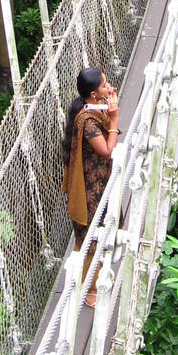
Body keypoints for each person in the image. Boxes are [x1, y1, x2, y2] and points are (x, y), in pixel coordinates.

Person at [62, 67, 120, 306]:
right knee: (91, 237)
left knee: (100, 231)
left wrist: (110, 105)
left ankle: (93, 281)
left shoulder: (93, 108)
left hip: (99, 183)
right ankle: (89, 290)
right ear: (94, 94)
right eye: (105, 85)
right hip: (89, 190)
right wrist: (115, 118)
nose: (110, 87)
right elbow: (107, 150)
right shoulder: (87, 123)